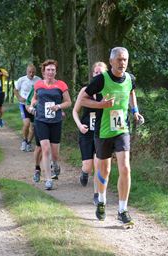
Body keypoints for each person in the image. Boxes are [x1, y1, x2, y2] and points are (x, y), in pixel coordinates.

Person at [79, 47, 144, 226]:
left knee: (125, 168)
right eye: (119, 60)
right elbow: (83, 99)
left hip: (122, 129)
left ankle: (122, 210)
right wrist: (101, 105)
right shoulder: (101, 79)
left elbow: (131, 92)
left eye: (125, 60)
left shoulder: (130, 78)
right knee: (104, 170)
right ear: (111, 61)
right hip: (103, 131)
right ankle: (101, 200)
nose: (123, 63)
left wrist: (135, 111)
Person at [27, 59, 72, 190]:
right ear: (43, 72)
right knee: (45, 149)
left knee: (55, 153)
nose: (50, 72)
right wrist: (32, 105)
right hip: (41, 120)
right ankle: (47, 179)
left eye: (53, 70)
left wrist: (58, 106)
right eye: (48, 70)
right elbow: (34, 98)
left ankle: (56, 164)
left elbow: (68, 102)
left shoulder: (61, 85)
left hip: (55, 121)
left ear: (56, 71)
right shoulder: (38, 85)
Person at [73, 62, 107, 205]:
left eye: (101, 73)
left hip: (101, 132)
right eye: (96, 72)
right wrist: (80, 125)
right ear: (92, 74)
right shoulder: (85, 91)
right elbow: (75, 111)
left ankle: (96, 194)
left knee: (98, 165)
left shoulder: (106, 91)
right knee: (88, 166)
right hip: (86, 132)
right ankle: (84, 173)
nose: (98, 75)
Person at [15, 64, 41, 152]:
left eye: (33, 72)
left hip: (33, 105)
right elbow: (16, 89)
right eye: (29, 72)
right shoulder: (21, 80)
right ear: (27, 72)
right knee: (26, 123)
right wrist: (19, 98)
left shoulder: (39, 80)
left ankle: (29, 143)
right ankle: (24, 141)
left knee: (33, 126)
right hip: (23, 104)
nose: (31, 73)